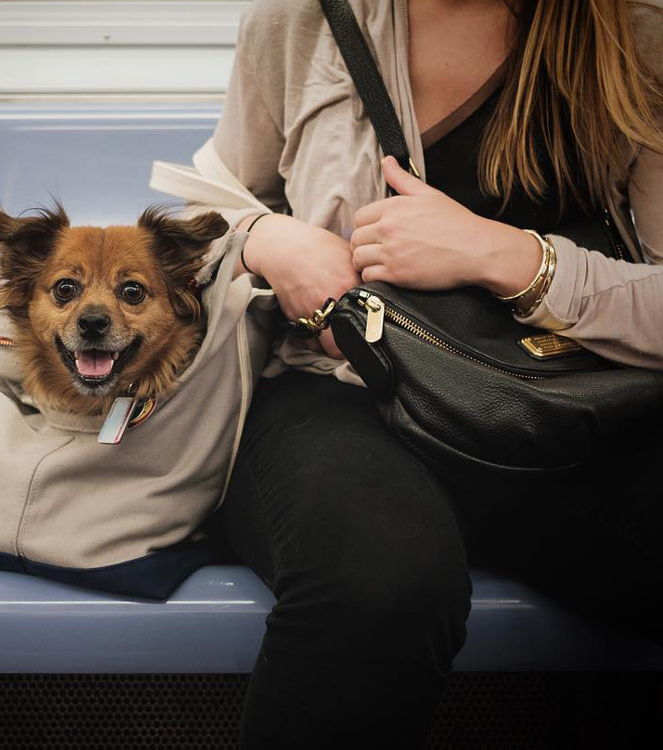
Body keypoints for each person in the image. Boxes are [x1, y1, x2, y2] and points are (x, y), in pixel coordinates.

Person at [163, 0, 663, 746]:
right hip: (338, 398)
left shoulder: (632, 32)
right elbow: (206, 214)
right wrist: (268, 238)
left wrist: (511, 258)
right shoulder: (297, 20)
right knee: (377, 587)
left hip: (573, 404)